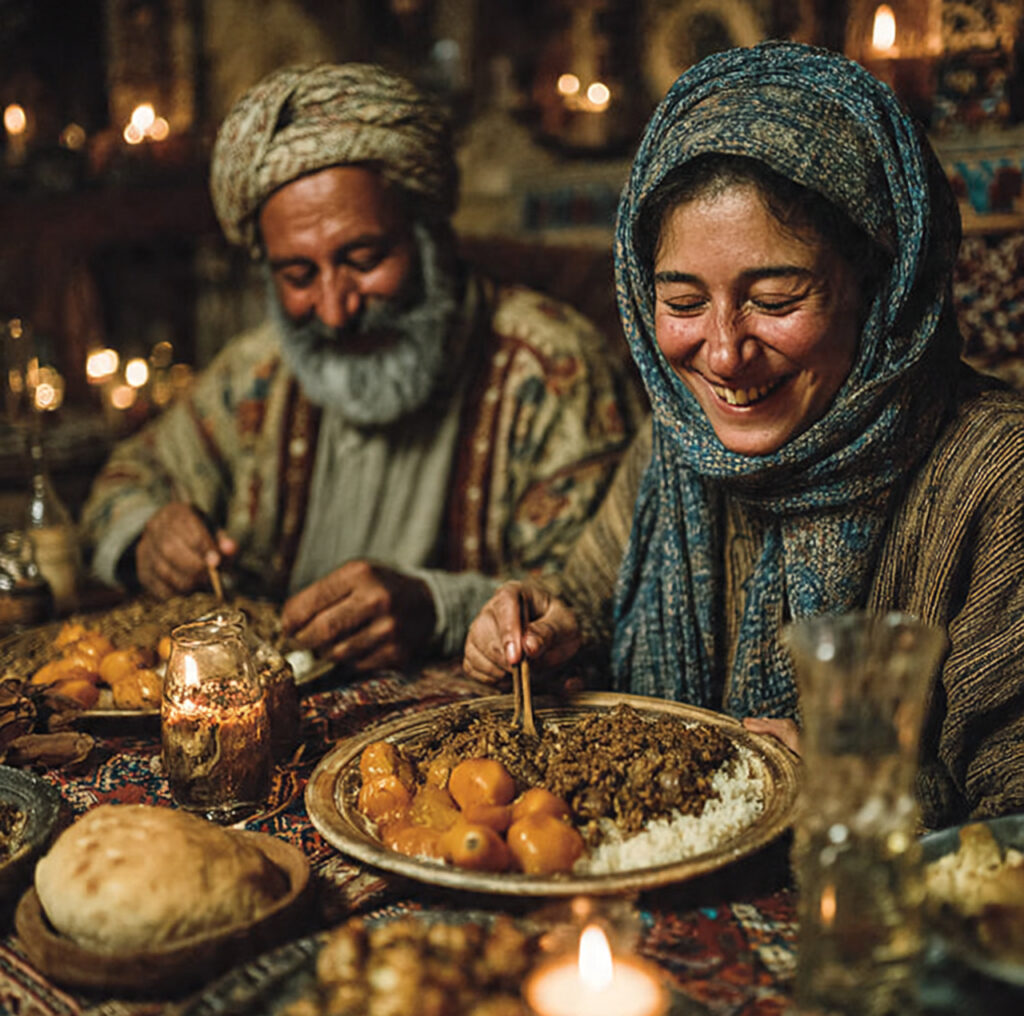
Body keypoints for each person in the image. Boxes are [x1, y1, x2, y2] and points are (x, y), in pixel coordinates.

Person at [463, 41, 1024, 829]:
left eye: (777, 297)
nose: (724, 353)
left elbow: (1012, 824)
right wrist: (538, 630)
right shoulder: (678, 445)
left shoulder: (997, 478)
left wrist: (856, 788)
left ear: (879, 284)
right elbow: (582, 606)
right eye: (683, 303)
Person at [80, 63, 642, 672]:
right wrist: (149, 537)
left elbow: (601, 597)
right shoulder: (260, 372)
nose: (334, 309)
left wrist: (440, 608)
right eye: (297, 275)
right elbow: (124, 481)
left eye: (365, 258)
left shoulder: (555, 371)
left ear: (427, 234)